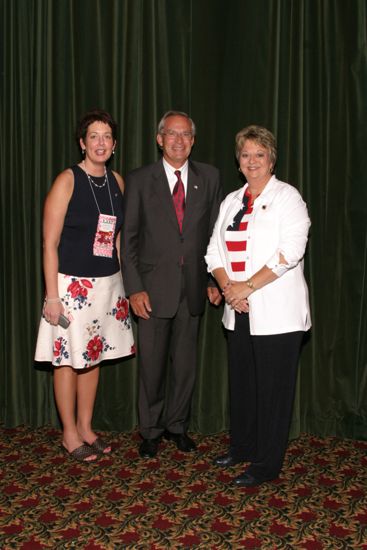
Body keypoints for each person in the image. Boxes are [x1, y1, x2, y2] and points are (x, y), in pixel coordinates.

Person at [205, 125, 311, 487]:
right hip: (238, 310)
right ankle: (243, 446)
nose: (252, 161)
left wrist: (246, 287)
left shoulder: (288, 198)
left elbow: (290, 253)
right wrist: (228, 288)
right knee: (244, 384)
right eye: (246, 155)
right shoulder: (231, 201)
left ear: (271, 159)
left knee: (272, 390)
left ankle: (267, 464)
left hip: (278, 314)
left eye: (259, 155)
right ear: (238, 161)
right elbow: (213, 251)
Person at [121, 110, 223, 458]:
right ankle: (150, 430)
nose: (178, 141)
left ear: (193, 141)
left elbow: (214, 235)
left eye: (185, 135)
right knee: (151, 365)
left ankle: (177, 426)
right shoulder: (139, 179)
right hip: (150, 290)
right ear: (159, 138)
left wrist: (213, 280)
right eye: (171, 134)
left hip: (193, 289)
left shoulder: (209, 177)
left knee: (185, 364)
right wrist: (134, 288)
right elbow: (128, 240)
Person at [35, 109, 135, 462]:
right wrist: (52, 297)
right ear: (82, 143)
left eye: (107, 136)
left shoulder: (117, 182)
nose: (100, 142)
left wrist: (123, 283)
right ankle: (69, 434)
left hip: (107, 286)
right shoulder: (67, 180)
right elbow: (49, 243)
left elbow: (117, 239)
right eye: (93, 136)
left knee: (93, 358)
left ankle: (87, 427)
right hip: (69, 288)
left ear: (114, 145)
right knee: (66, 360)